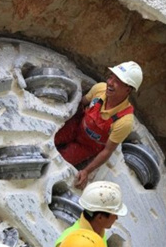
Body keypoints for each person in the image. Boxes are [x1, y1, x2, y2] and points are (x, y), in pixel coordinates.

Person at [54, 61, 143, 189]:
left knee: (60, 161)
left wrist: (86, 171)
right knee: (52, 138)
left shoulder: (124, 121)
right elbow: (81, 103)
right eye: (111, 77)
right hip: (76, 126)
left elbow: (107, 151)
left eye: (117, 81)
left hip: (86, 146)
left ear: (128, 89)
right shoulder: (100, 89)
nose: (110, 83)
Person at [51, 181, 127, 247]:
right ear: (100, 217)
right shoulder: (69, 243)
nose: (117, 217)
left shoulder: (97, 233)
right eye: (114, 214)